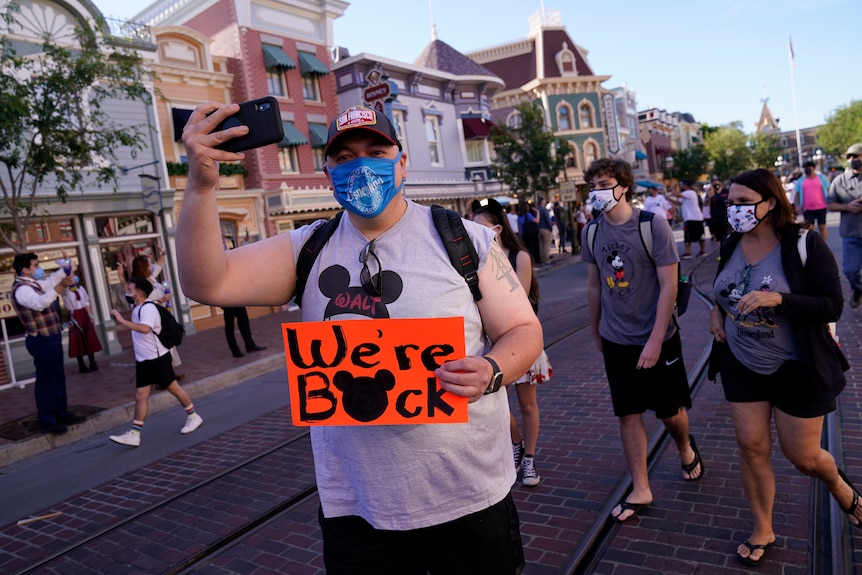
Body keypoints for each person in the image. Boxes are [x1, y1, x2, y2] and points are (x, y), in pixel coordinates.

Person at [175, 102, 542, 574]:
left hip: (468, 495)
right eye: (344, 157)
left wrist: (494, 370)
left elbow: (524, 329)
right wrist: (201, 187)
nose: (361, 164)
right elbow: (208, 283)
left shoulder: (464, 240)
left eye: (375, 150)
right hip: (359, 506)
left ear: (401, 163)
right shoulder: (306, 249)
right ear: (328, 172)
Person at [708, 168, 858, 567]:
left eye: (743, 202)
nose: (734, 209)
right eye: (730, 201)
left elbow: (832, 305)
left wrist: (779, 301)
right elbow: (725, 290)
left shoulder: (803, 242)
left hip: (796, 365)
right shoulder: (730, 241)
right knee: (751, 446)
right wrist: (717, 315)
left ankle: (838, 485)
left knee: (804, 457)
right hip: (741, 362)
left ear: (770, 202)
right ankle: (763, 527)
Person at [581, 158, 703, 524]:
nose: (596, 191)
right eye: (592, 186)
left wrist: (654, 340)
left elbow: (669, 284)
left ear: (623, 185)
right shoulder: (592, 232)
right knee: (628, 411)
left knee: (669, 410)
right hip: (616, 337)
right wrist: (595, 328)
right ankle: (641, 487)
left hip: (658, 336)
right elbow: (593, 284)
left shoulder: (653, 225)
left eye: (603, 183)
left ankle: (684, 446)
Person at [473, 198, 547, 487]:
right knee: (496, 404)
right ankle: (515, 444)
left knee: (527, 404)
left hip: (517, 342)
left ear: (498, 229)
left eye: (480, 227)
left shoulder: (518, 257)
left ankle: (529, 458)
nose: (474, 233)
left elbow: (519, 306)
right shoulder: (471, 257)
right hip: (488, 348)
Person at [108, 278, 203, 447]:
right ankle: (134, 434)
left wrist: (121, 321)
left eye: (130, 289)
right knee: (140, 395)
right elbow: (127, 291)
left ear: (139, 293)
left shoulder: (148, 309)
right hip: (144, 360)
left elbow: (145, 329)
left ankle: (193, 416)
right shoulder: (137, 306)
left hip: (157, 358)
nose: (127, 292)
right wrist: (122, 275)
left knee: (173, 388)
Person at [11, 254, 85, 435]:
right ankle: (47, 419)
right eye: (35, 266)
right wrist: (60, 287)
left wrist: (66, 267)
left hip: (51, 336)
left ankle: (61, 411)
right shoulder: (22, 290)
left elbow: (50, 281)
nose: (38, 269)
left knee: (57, 376)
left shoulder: (33, 284)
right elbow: (39, 304)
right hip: (41, 339)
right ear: (25, 270)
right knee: (46, 380)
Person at [827, 143, 862, 308]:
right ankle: (858, 289)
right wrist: (847, 207)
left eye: (856, 156)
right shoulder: (840, 180)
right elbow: (830, 204)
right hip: (851, 233)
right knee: (850, 270)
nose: (852, 160)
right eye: (850, 157)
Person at [60, 275, 103, 373]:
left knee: (89, 337)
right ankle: (81, 365)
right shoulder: (66, 291)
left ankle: (93, 362)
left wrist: (90, 315)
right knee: (77, 339)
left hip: (84, 314)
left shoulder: (81, 288)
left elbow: (86, 302)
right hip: (74, 315)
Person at [795, 160, 830, 240]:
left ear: (813, 168)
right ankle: (812, 246)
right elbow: (797, 194)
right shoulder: (801, 180)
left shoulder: (822, 178)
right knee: (809, 229)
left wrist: (831, 202)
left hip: (821, 207)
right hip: (807, 208)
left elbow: (828, 189)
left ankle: (823, 246)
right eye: (805, 168)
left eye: (808, 168)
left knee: (822, 227)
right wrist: (797, 206)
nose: (807, 170)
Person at [671, 180, 706, 258]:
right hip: (688, 218)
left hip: (696, 218)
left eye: (683, 185)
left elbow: (676, 194)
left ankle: (702, 251)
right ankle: (688, 252)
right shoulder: (685, 194)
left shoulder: (690, 192)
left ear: (687, 185)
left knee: (700, 236)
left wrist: (672, 188)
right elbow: (679, 202)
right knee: (687, 236)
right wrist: (669, 199)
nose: (682, 187)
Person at [518, 200, 541, 265]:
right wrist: (537, 212)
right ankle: (535, 260)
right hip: (531, 233)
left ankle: (529, 261)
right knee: (534, 247)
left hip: (524, 234)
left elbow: (519, 227)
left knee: (527, 248)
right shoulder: (528, 215)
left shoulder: (519, 216)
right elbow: (537, 221)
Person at [708, 178, 729, 244]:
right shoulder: (711, 193)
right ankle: (721, 252)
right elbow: (706, 204)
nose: (716, 185)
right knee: (718, 238)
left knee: (727, 236)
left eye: (717, 183)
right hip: (715, 218)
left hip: (726, 217)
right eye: (714, 184)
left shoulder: (726, 192)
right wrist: (710, 196)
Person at [536, 196, 554, 265]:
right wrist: (550, 227)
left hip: (539, 229)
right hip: (545, 229)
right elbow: (548, 220)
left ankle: (542, 259)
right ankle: (547, 260)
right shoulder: (544, 210)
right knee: (546, 245)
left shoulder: (537, 210)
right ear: (542, 202)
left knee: (541, 245)